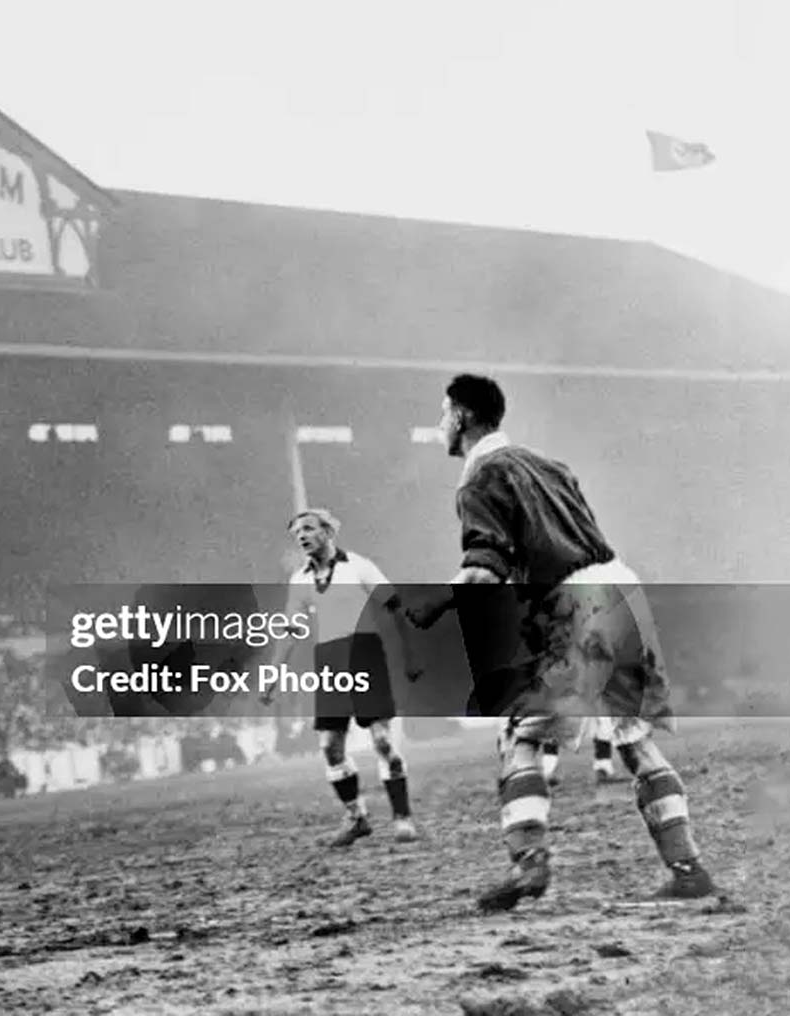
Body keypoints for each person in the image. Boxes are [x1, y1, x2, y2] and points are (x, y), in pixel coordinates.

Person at [406, 374, 716, 910]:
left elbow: (484, 571)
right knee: (632, 735)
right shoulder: (551, 467)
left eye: (442, 414)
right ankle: (687, 867)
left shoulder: (479, 479)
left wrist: (432, 605)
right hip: (620, 587)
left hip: (573, 602)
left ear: (461, 416)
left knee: (521, 733)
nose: (439, 425)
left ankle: (529, 864)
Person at [263, 509, 422, 846]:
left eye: (308, 529)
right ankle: (356, 818)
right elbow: (289, 631)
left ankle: (402, 817)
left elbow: (396, 609)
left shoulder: (359, 566)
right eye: (297, 533)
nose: (302, 536)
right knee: (330, 746)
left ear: (328, 531)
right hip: (330, 661)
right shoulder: (300, 580)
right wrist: (274, 673)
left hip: (365, 654)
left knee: (383, 741)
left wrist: (410, 655)